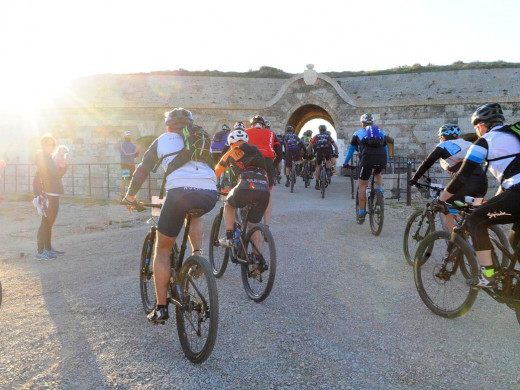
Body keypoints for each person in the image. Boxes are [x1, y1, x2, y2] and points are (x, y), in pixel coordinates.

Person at [123, 108, 217, 323]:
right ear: (190, 125)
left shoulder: (163, 139)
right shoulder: (200, 138)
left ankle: (161, 307)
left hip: (177, 194)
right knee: (194, 214)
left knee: (163, 249)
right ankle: (197, 255)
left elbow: (143, 169)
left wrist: (130, 196)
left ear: (168, 127)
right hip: (208, 194)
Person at [440, 103, 520, 287]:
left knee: (476, 219)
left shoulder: (485, 141)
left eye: (477, 128)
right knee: (514, 238)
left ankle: (489, 274)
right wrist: (491, 203)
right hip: (514, 191)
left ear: (481, 126)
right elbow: (508, 180)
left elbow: (462, 176)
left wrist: (441, 198)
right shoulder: (514, 135)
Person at [409, 124, 488, 231]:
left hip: (465, 183)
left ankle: (455, 243)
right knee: (470, 211)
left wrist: (415, 178)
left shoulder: (444, 145)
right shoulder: (469, 144)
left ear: (442, 137)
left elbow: (428, 162)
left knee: (445, 206)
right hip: (482, 185)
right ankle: (471, 234)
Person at [215, 129, 270, 269]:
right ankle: (257, 260)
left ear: (230, 142)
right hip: (264, 189)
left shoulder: (235, 150)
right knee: (253, 224)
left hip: (246, 185)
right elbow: (266, 176)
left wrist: (209, 184)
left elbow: (218, 170)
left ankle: (228, 238)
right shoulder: (257, 151)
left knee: (228, 205)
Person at [343, 114, 388, 223]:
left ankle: (362, 213)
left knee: (362, 185)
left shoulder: (357, 133)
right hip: (381, 157)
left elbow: (351, 151)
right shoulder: (380, 132)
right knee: (378, 173)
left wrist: (345, 163)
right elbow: (385, 148)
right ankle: (380, 192)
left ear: (362, 123)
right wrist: (386, 161)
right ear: (372, 123)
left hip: (367, 158)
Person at [34, 134, 68, 260]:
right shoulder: (44, 158)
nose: (52, 146)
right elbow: (54, 175)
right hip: (49, 193)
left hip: (53, 192)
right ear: (43, 145)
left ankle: (47, 248)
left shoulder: (48, 158)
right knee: (46, 223)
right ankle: (40, 251)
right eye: (49, 144)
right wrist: (65, 167)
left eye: (53, 144)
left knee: (49, 222)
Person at [245, 115, 282, 227]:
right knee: (268, 193)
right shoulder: (271, 134)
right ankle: (266, 225)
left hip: (250, 160)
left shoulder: (246, 132)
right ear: (264, 125)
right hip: (267, 161)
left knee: (245, 186)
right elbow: (279, 154)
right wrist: (273, 166)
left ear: (251, 124)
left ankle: (243, 220)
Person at [309, 124, 338, 190]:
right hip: (327, 150)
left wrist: (309, 152)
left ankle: (317, 183)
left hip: (319, 151)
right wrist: (336, 153)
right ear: (325, 130)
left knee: (318, 166)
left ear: (319, 130)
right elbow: (335, 146)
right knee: (328, 160)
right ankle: (328, 170)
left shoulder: (316, 136)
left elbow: (310, 146)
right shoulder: (328, 136)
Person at [119, 130, 139, 196]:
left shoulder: (133, 145)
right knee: (124, 180)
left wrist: (137, 152)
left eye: (129, 135)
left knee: (131, 181)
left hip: (132, 165)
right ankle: (122, 195)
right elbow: (124, 154)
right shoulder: (122, 144)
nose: (128, 136)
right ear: (125, 136)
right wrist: (134, 153)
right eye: (127, 135)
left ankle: (129, 195)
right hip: (125, 165)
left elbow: (135, 156)